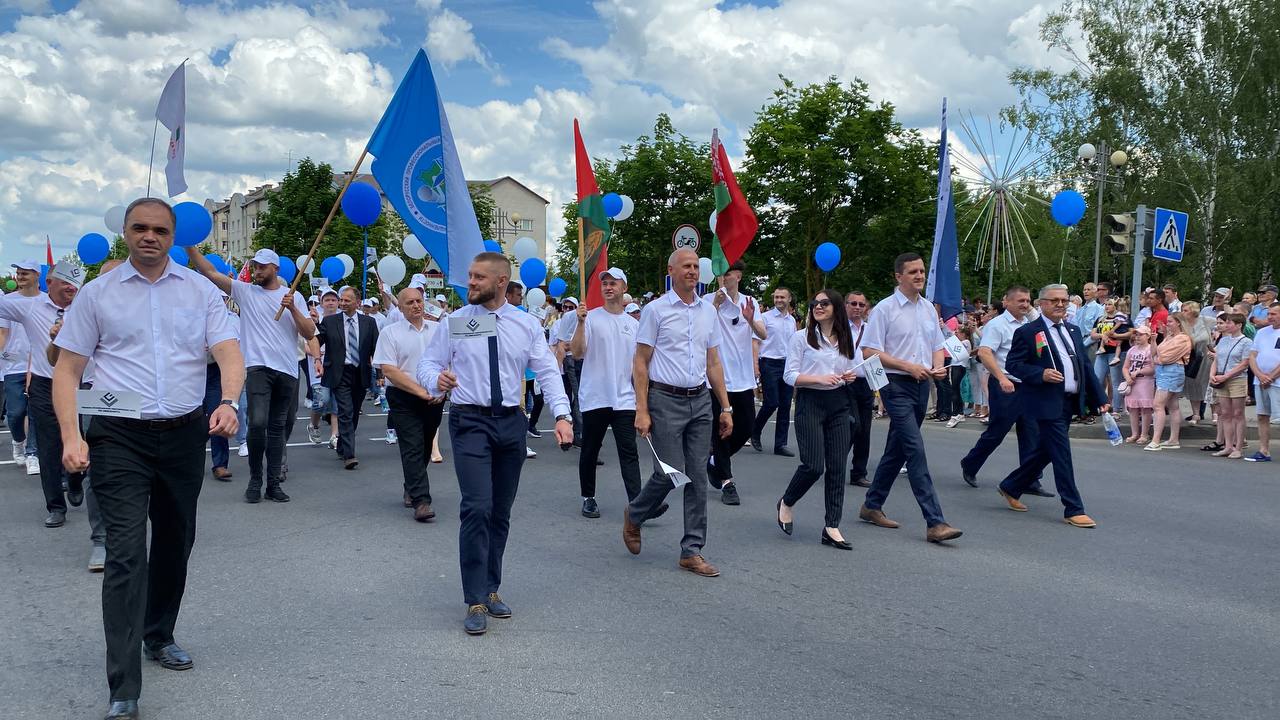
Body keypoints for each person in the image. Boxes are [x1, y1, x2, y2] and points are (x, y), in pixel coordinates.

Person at [51, 197, 244, 720]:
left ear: (173, 235)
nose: (150, 237)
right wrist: (72, 438)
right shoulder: (98, 294)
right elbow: (67, 370)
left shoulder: (200, 290)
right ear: (127, 234)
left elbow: (228, 349)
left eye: (160, 229)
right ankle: (123, 689)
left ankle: (159, 634)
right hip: (119, 437)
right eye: (140, 228)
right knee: (126, 553)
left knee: (176, 540)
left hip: (183, 434)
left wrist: (227, 401)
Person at [417, 251, 573, 635]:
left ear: (501, 282)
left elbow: (548, 370)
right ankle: (473, 598)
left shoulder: (526, 325)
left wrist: (563, 415)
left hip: (510, 423)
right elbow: (428, 364)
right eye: (469, 276)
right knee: (477, 508)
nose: (470, 283)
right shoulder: (456, 321)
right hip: (470, 423)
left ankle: (491, 588)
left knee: (500, 511)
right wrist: (436, 380)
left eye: (478, 278)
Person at [623, 249, 733, 575]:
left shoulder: (707, 313)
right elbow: (640, 362)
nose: (693, 271)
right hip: (664, 399)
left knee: (698, 476)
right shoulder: (655, 311)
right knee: (671, 473)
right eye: (686, 266)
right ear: (671, 270)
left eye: (696, 267)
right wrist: (641, 409)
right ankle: (635, 514)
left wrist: (725, 407)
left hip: (699, 400)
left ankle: (691, 550)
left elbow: (713, 362)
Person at [189, 248, 315, 503]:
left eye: (262, 267)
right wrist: (189, 246)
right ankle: (255, 479)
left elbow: (310, 332)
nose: (257, 271)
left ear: (275, 269)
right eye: (255, 266)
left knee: (278, 428)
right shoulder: (246, 292)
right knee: (258, 422)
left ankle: (273, 483)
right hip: (257, 367)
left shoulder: (293, 296)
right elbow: (210, 272)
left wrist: (293, 309)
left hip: (287, 370)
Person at [857, 252, 962, 543]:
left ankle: (872, 505)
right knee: (915, 447)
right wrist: (907, 366)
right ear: (898, 276)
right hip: (895, 384)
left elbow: (937, 345)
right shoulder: (884, 309)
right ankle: (935, 522)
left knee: (898, 449)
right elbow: (869, 352)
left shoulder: (929, 308)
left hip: (921, 384)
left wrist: (938, 365)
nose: (919, 275)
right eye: (913, 271)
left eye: (922, 271)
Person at [996, 284, 1107, 528]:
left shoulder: (1073, 330)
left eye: (1063, 300)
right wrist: (1040, 373)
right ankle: (1073, 507)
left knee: (1047, 450)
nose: (1060, 304)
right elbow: (1014, 365)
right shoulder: (1029, 332)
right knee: (1061, 453)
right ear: (1042, 303)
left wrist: (1101, 399)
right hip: (1045, 402)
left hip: (1069, 402)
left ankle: (1012, 485)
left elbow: (1085, 367)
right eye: (1054, 300)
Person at [0, 261, 91, 528]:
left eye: (75, 283)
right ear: (49, 283)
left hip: (81, 384)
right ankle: (55, 506)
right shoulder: (28, 307)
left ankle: (75, 480)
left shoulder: (86, 308)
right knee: (49, 446)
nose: (71, 288)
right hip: (45, 384)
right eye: (64, 282)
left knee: (80, 437)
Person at [776, 289, 857, 549]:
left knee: (837, 466)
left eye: (824, 303)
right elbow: (790, 375)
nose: (818, 307)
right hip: (810, 402)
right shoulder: (801, 338)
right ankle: (787, 501)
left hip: (839, 404)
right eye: (814, 303)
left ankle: (832, 526)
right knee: (813, 465)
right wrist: (818, 379)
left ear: (835, 308)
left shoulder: (847, 339)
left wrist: (849, 376)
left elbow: (852, 368)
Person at [959, 286, 1049, 495]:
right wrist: (1000, 378)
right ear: (1006, 302)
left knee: (1031, 433)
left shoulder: (1031, 324)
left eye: (1028, 301)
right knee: (997, 431)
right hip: (1006, 384)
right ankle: (970, 463)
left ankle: (1030, 480)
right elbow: (985, 353)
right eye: (1020, 301)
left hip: (1028, 385)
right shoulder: (997, 325)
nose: (1025, 305)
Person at [570, 267, 643, 518]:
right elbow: (577, 352)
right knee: (590, 450)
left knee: (629, 453)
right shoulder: (589, 318)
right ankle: (588, 497)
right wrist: (580, 323)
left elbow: (638, 366)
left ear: (624, 288)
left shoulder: (633, 326)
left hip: (624, 398)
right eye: (605, 284)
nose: (608, 287)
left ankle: (638, 505)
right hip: (596, 396)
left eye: (614, 283)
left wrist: (642, 402)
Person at [374, 287, 445, 522]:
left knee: (425, 445)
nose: (416, 305)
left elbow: (450, 362)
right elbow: (389, 370)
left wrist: (441, 390)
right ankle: (422, 501)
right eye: (410, 302)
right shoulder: (390, 333)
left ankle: (411, 485)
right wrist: (419, 392)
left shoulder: (438, 330)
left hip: (435, 397)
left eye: (419, 301)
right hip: (404, 396)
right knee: (412, 446)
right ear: (400, 307)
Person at [703, 260, 766, 505]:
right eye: (720, 274)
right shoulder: (709, 301)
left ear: (738, 276)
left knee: (746, 428)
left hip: (742, 378)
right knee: (720, 431)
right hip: (716, 378)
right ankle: (728, 482)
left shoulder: (749, 302)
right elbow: (702, 330)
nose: (723, 278)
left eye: (727, 274)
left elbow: (763, 334)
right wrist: (715, 307)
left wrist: (750, 319)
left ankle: (714, 462)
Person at [316, 287, 379, 470]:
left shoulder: (369, 322)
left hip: (360, 373)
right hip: (339, 372)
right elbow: (316, 339)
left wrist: (380, 375)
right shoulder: (330, 321)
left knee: (354, 412)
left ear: (357, 303)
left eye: (347, 300)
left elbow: (376, 350)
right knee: (345, 411)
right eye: (341, 300)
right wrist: (312, 325)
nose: (342, 303)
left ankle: (343, 445)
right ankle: (350, 455)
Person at [752, 287, 798, 457]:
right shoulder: (765, 318)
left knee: (785, 405)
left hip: (787, 364)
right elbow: (755, 342)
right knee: (772, 403)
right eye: (776, 297)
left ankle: (781, 444)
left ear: (789, 299)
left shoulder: (791, 320)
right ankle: (755, 430)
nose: (779, 300)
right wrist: (755, 365)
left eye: (782, 297)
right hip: (769, 363)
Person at [1144, 315, 1192, 451]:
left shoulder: (1183, 338)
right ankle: (1173, 439)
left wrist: (1158, 358)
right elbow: (1153, 353)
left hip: (1172, 371)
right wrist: (1153, 340)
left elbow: (1165, 357)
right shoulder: (1169, 337)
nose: (1167, 324)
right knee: (1173, 405)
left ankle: (1156, 440)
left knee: (1158, 404)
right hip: (1164, 371)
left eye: (1170, 321)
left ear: (1178, 323)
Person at [1209, 313, 1251, 459]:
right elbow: (1216, 358)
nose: (1226, 326)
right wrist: (1212, 374)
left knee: (1238, 413)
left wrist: (1226, 376)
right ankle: (1228, 446)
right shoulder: (1224, 340)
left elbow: (1244, 363)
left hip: (1237, 379)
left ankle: (1238, 447)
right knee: (1225, 413)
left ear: (1239, 325)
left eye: (1229, 323)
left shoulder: (1246, 342)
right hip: (1221, 378)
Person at [844, 291, 874, 486]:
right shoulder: (838, 329)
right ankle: (835, 462)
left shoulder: (870, 329)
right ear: (845, 305)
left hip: (866, 382)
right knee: (853, 426)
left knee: (865, 430)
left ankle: (859, 473)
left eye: (861, 305)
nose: (857, 307)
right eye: (853, 303)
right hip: (846, 382)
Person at [0, 315, 38, 471]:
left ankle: (32, 453)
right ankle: (18, 440)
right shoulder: (7, 303)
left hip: (38, 365)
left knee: (35, 412)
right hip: (13, 366)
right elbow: (2, 333)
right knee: (15, 413)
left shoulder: (44, 301)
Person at [1245, 303, 1280, 462]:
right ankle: (1264, 450)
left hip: (1276, 381)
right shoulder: (1262, 333)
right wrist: (1259, 375)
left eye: (1274, 314)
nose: (1270, 317)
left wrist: (1271, 376)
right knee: (1262, 416)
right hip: (1260, 381)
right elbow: (1252, 355)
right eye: (1269, 314)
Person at [550, 296, 583, 445]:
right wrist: (556, 368)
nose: (568, 310)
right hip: (566, 362)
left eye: (571, 307)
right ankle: (570, 429)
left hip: (579, 362)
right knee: (569, 397)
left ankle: (576, 433)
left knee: (578, 397)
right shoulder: (558, 323)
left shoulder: (581, 321)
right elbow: (557, 346)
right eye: (565, 307)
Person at [1122, 326, 1156, 443]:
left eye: (1141, 335)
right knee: (1133, 408)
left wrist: (1139, 372)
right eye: (1136, 335)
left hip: (1145, 382)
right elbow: (1125, 367)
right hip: (1133, 382)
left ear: (1148, 336)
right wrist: (1127, 377)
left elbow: (1153, 368)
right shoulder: (1132, 350)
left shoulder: (1150, 350)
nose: (1137, 337)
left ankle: (1144, 434)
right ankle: (1134, 433)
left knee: (1146, 408)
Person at [1181, 302, 1214, 424]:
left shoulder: (1206, 320)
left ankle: (1214, 414)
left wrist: (1218, 335)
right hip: (1191, 359)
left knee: (1208, 385)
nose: (1183, 313)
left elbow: (1224, 321)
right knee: (1193, 384)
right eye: (1182, 310)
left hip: (1207, 358)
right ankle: (1196, 414)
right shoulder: (1182, 324)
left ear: (1193, 311)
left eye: (1185, 310)